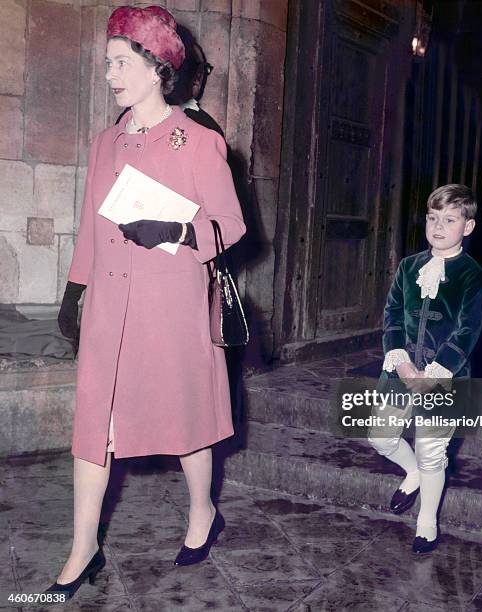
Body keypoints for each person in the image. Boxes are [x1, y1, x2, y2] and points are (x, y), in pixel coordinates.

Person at [49, 5, 245, 599]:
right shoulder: (105, 141)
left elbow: (233, 226)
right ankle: (83, 549)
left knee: (186, 420)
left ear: (157, 66)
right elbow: (89, 225)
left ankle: (202, 512)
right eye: (106, 63)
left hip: (172, 304)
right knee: (95, 424)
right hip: (110, 304)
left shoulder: (198, 141)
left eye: (119, 63)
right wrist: (75, 290)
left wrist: (179, 232)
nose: (109, 74)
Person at [368, 184, 482, 554]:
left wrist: (433, 373)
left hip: (443, 379)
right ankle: (415, 472)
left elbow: (467, 331)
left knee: (432, 450)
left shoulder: (472, 275)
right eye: (432, 218)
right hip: (400, 371)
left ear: (467, 227)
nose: (438, 227)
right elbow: (391, 316)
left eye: (449, 220)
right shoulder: (409, 267)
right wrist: (401, 360)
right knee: (381, 436)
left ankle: (427, 522)